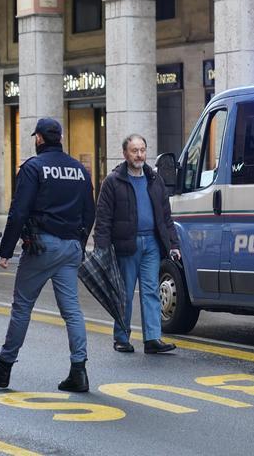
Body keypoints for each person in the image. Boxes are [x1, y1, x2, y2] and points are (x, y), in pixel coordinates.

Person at [0, 118, 95, 392]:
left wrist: (6, 251)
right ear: (60, 137)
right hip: (71, 247)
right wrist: (79, 243)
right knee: (72, 311)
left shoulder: (33, 168)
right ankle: (79, 371)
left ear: (39, 139)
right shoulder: (79, 170)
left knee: (22, 306)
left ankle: (3, 367)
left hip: (42, 246)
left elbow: (19, 211)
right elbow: (90, 211)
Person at [94, 134, 181, 354]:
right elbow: (103, 218)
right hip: (126, 244)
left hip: (152, 243)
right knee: (124, 293)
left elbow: (165, 216)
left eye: (142, 150)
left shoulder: (154, 179)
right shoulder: (113, 181)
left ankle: (152, 339)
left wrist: (173, 244)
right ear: (125, 154)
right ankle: (121, 338)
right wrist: (101, 248)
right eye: (134, 151)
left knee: (151, 291)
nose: (139, 155)